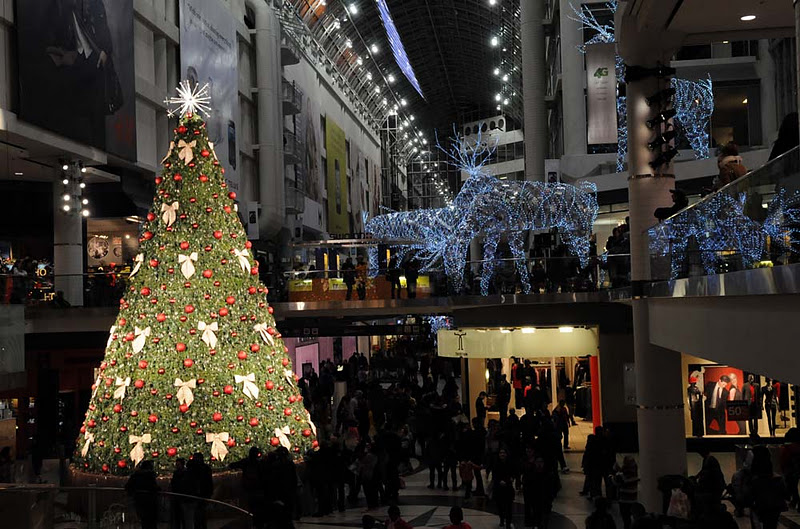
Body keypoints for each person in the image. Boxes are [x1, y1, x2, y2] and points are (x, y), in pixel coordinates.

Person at [751, 445, 788, 529]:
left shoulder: (754, 479)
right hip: (774, 506)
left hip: (761, 504)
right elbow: (784, 492)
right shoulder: (777, 478)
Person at [229, 447, 266, 527]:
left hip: (250, 489)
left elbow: (232, 465)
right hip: (257, 489)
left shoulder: (246, 462)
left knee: (251, 508)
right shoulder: (259, 463)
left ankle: (253, 522)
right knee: (258, 509)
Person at [125, 460, 159, 529]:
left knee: (143, 520)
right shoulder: (150, 476)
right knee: (150, 522)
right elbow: (153, 487)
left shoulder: (136, 475)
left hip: (139, 501)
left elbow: (128, 486)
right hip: (150, 502)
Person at [492, 448, 516, 529]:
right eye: (501, 453)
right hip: (499, 488)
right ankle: (502, 519)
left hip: (508, 488)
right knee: (500, 506)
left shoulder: (510, 463)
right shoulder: (496, 464)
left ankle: (508, 523)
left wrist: (512, 478)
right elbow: (494, 476)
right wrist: (499, 481)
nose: (502, 454)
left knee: (508, 507)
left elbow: (513, 473)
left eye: (504, 453)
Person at [187, 452, 213, 529]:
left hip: (200, 493)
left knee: (199, 516)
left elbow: (208, 482)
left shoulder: (198, 469)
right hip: (198, 493)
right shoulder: (200, 468)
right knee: (199, 516)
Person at [614, 456, 639, 529]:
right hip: (633, 499)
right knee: (631, 517)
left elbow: (615, 482)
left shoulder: (622, 475)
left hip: (624, 500)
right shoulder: (635, 474)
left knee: (625, 518)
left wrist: (614, 473)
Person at [170, 458, 193, 529]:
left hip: (183, 498)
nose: (177, 466)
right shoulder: (176, 473)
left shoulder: (186, 473)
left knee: (185, 518)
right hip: (177, 498)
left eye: (178, 464)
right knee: (177, 517)